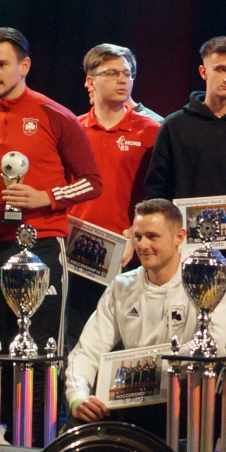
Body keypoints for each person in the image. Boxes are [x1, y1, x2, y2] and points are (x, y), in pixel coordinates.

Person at [0, 27, 103, 422]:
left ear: (25, 65)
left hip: (41, 247)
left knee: (41, 348)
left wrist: (45, 197)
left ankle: (39, 439)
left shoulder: (55, 115)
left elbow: (92, 182)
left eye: (0, 64)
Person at [65, 199, 226, 439]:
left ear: (179, 237)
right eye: (138, 237)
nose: (143, 245)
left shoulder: (206, 279)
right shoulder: (122, 286)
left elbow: (220, 344)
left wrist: (153, 368)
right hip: (134, 394)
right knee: (82, 417)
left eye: (152, 237)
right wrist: (79, 397)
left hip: (186, 391)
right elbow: (86, 352)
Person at [143, 36, 226, 280]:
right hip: (184, 262)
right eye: (220, 69)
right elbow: (157, 191)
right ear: (203, 72)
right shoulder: (175, 126)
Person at [67, 43, 161, 338]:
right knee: (77, 339)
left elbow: (159, 195)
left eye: (127, 73)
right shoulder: (71, 129)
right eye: (112, 73)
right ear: (90, 81)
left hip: (130, 255)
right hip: (75, 255)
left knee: (126, 343)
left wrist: (137, 232)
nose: (123, 80)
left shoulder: (152, 132)